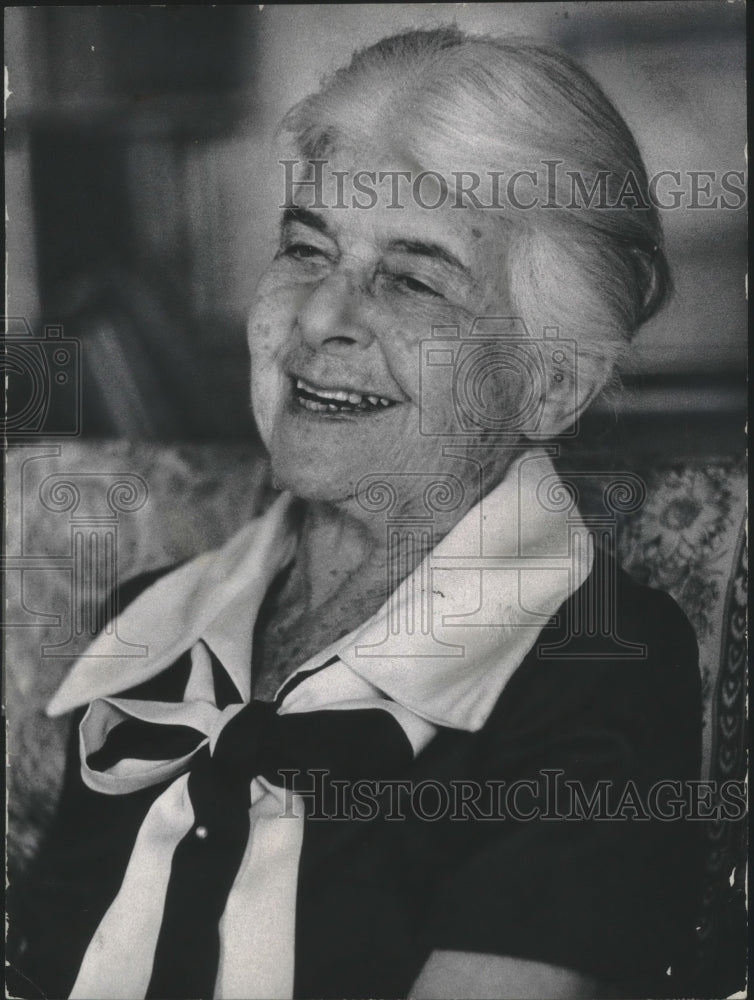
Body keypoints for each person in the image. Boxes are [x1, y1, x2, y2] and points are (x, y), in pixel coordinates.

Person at [8, 27, 701, 1000]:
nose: (320, 315)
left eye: (411, 279)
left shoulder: (598, 670)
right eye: (305, 247)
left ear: (548, 384)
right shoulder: (152, 623)